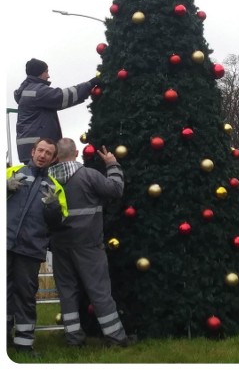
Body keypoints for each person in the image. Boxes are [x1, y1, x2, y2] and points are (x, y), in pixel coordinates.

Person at [47, 138, 132, 347]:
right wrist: (112, 164)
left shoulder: (48, 180)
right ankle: (116, 338)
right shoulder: (88, 175)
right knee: (99, 291)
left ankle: (74, 339)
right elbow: (115, 190)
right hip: (89, 245)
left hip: (60, 245)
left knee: (67, 293)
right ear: (76, 153)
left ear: (56, 156)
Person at [6, 138, 68, 354]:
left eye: (48, 153)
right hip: (5, 245)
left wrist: (53, 208)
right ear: (32, 151)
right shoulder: (11, 172)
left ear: (53, 159)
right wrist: (6, 188)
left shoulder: (54, 186)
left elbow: (58, 223)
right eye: (40, 150)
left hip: (30, 250)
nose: (42, 155)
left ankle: (24, 345)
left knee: (25, 297)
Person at [13, 58, 97, 164]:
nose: (48, 76)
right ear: (39, 73)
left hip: (31, 149)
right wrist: (89, 84)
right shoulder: (37, 91)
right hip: (39, 148)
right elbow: (61, 96)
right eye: (46, 71)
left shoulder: (26, 90)